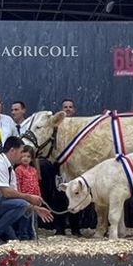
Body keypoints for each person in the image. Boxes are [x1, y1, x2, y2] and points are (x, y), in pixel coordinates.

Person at [0, 137, 54, 246]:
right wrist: (29, 197)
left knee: (12, 239)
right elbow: (6, 193)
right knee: (22, 204)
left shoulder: (10, 169)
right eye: (21, 152)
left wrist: (35, 208)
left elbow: (13, 197)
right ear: (12, 150)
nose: (22, 155)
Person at [50, 98, 83, 235]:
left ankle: (76, 229)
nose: (68, 109)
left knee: (76, 196)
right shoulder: (54, 128)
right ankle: (60, 229)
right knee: (59, 197)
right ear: (61, 111)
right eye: (65, 107)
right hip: (60, 167)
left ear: (74, 110)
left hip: (76, 168)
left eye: (70, 107)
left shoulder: (80, 128)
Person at [14, 146, 42, 240]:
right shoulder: (18, 170)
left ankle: (33, 234)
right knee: (25, 217)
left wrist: (39, 196)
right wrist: (20, 196)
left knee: (34, 216)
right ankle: (23, 235)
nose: (25, 158)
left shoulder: (34, 170)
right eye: (23, 156)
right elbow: (18, 184)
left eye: (28, 156)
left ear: (31, 158)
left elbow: (36, 183)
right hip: (24, 198)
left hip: (34, 197)